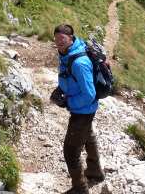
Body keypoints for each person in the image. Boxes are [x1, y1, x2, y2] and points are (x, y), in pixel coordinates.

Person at [51, 24, 105, 194]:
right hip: (84, 109)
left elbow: (89, 94)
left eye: (62, 39)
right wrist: (62, 88)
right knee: (88, 135)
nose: (59, 42)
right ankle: (95, 171)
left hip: (83, 111)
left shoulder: (79, 62)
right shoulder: (68, 53)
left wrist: (69, 102)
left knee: (71, 151)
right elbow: (71, 78)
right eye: (56, 39)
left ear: (71, 38)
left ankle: (80, 188)